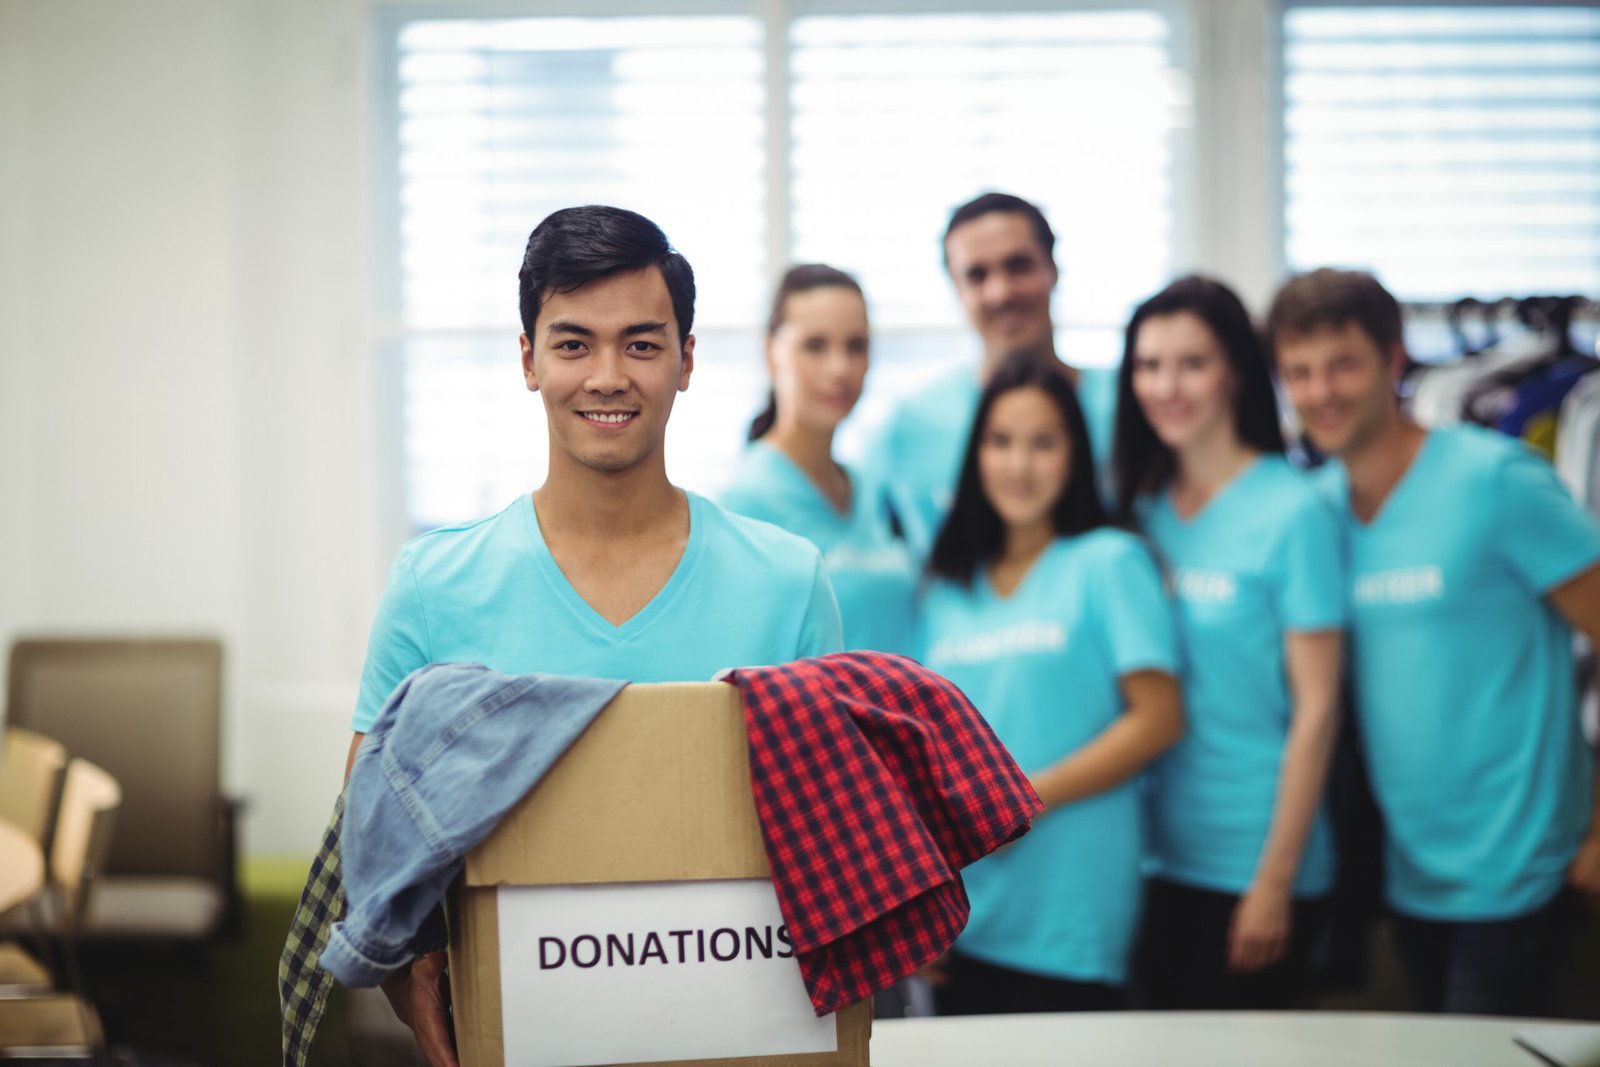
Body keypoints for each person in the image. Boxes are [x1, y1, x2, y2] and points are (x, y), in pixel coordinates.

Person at [345, 205, 844, 1066]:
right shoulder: (433, 588)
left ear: (687, 361)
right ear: (528, 360)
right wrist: (410, 977)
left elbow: (843, 841)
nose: (607, 376)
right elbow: (374, 844)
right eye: (573, 343)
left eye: (642, 344)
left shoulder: (787, 581)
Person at [1268, 267, 1600, 1017]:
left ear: (1393, 361)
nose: (1321, 390)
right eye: (1300, 371)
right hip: (1407, 874)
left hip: (1524, 868)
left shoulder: (1497, 480)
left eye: (1343, 364)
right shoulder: (1316, 511)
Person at [917, 355, 1183, 1013]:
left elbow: (1159, 717)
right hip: (966, 909)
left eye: (1044, 442)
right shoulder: (948, 585)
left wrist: (1023, 798)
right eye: (1001, 441)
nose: (1020, 464)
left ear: (1075, 454)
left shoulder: (1110, 560)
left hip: (1072, 905)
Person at [1112, 276, 1344, 1008]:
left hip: (1254, 858)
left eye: (1191, 363)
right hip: (1153, 856)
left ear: (1235, 372)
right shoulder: (1140, 512)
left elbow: (1318, 710)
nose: (1166, 385)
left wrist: (1273, 879)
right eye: (1149, 365)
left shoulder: (1293, 509)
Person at [863, 192, 1120, 553]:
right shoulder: (908, 425)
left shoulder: (1129, 404)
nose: (1000, 292)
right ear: (956, 289)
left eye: (1018, 266)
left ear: (1053, 269)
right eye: (977, 275)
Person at [719, 264, 918, 654]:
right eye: (815, 345)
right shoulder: (742, 506)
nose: (839, 368)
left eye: (856, 346)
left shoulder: (876, 493)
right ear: (771, 351)